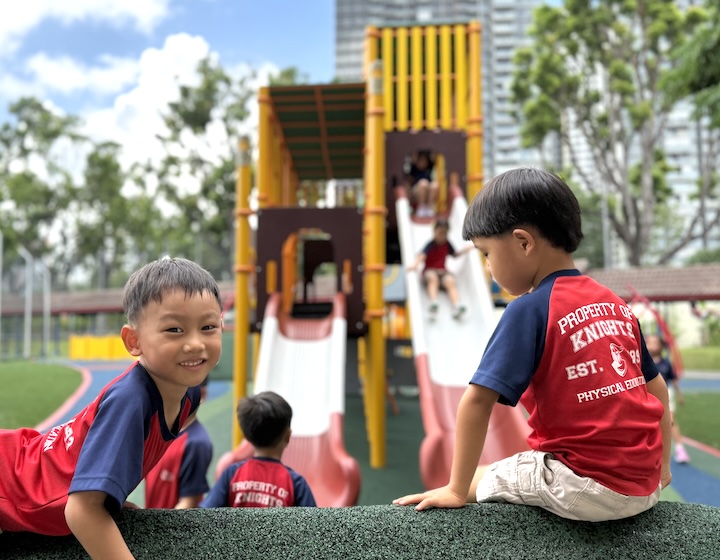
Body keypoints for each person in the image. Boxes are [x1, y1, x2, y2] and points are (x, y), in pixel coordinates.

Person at [394, 168, 672, 522]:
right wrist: (661, 470)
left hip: (586, 488)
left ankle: (453, 489)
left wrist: (455, 489)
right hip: (646, 487)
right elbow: (657, 389)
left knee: (486, 474)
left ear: (524, 243)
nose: (488, 266)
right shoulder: (615, 304)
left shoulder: (529, 309)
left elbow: (477, 401)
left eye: (486, 254)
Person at [0, 257, 223, 558]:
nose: (196, 343)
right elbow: (80, 512)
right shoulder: (131, 400)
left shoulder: (188, 395)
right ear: (134, 341)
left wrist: (106, 497)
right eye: (174, 330)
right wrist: (95, 504)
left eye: (208, 327)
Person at [201, 391, 316, 508]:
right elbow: (314, 524)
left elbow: (205, 514)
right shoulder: (295, 483)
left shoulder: (232, 474)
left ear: (245, 436)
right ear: (287, 436)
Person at [145, 376, 214, 509]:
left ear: (202, 395)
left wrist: (162, 529)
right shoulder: (158, 432)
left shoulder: (196, 444)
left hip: (169, 527)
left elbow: (189, 502)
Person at [408, 217, 473, 320]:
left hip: (442, 272)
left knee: (450, 281)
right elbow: (422, 255)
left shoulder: (447, 244)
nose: (442, 236)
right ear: (434, 232)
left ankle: (457, 306)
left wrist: (466, 250)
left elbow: (454, 255)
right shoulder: (431, 244)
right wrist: (415, 265)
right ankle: (433, 303)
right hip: (430, 270)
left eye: (445, 234)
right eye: (440, 233)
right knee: (432, 278)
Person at [645, 334, 690, 464]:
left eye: (654, 342)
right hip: (647, 394)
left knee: (670, 420)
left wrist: (679, 394)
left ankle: (680, 449)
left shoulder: (665, 363)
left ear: (660, 346)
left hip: (665, 394)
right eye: (648, 342)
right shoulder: (642, 362)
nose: (651, 345)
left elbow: (673, 380)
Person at [406, 150, 440, 218]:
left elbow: (434, 156)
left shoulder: (430, 167)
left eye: (424, 161)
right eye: (421, 161)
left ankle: (429, 208)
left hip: (428, 190)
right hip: (416, 191)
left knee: (435, 185)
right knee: (423, 183)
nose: (423, 163)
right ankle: (421, 208)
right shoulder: (413, 168)